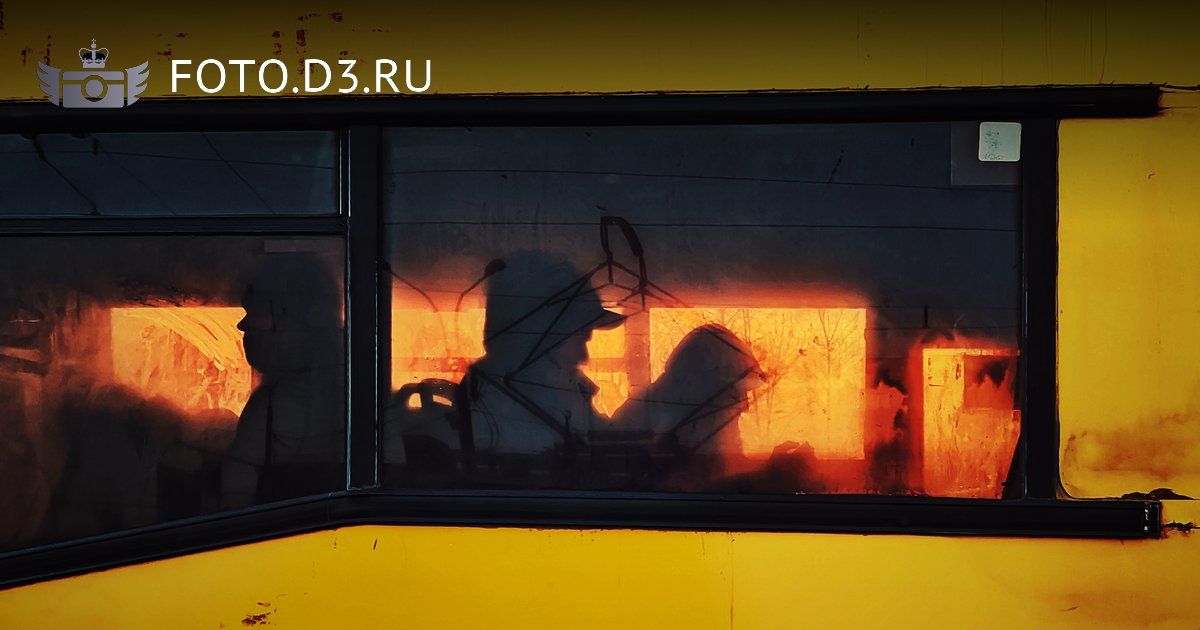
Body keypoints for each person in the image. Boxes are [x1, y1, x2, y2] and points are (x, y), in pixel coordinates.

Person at [462, 250, 624, 486]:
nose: (584, 357)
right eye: (580, 337)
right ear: (540, 337)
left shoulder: (564, 397)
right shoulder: (486, 414)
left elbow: (613, 444)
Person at [221, 253, 344, 508]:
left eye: (255, 311)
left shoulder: (272, 406)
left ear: (289, 317)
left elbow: (235, 496)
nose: (243, 325)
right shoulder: (366, 392)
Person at [609, 323, 766, 489]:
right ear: (708, 385)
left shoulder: (692, 416)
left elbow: (727, 465)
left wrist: (766, 468)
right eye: (736, 392)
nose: (745, 404)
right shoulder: (653, 421)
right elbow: (701, 484)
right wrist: (766, 476)